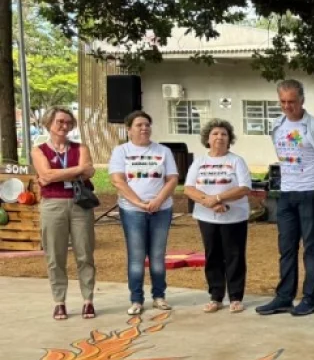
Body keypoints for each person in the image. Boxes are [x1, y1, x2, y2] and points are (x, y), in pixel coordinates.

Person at [255, 79, 314, 317]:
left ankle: (310, 298)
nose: (287, 106)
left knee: (311, 246)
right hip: (287, 191)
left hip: (312, 191)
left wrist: (313, 179)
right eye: (282, 102)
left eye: (292, 102)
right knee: (286, 246)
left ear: (302, 100)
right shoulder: (277, 125)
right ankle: (284, 297)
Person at [108, 111, 179, 316]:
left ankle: (159, 296)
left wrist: (158, 200)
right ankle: (136, 299)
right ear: (129, 130)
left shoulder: (163, 151)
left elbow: (172, 179)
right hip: (132, 211)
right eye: (138, 125)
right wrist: (138, 202)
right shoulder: (121, 151)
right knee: (136, 255)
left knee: (157, 255)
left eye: (147, 124)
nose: (144, 128)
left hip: (161, 210)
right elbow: (117, 180)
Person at [32, 108, 96, 320]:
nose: (64, 126)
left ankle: (88, 300)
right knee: (55, 255)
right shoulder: (39, 150)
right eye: (60, 121)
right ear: (49, 123)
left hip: (80, 203)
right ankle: (59, 301)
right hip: (53, 204)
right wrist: (76, 170)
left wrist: (53, 175)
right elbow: (45, 174)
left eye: (68, 122)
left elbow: (89, 170)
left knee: (85, 253)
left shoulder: (80, 147)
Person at [183, 119, 253, 314]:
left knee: (234, 256)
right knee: (212, 255)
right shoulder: (199, 162)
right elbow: (189, 188)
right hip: (207, 217)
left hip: (234, 217)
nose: (220, 137)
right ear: (207, 138)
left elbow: (244, 187)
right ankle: (216, 297)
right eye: (215, 134)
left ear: (229, 139)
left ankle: (236, 297)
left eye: (224, 134)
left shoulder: (236, 161)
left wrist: (219, 197)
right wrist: (209, 202)